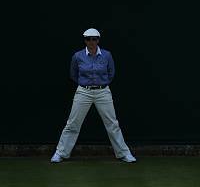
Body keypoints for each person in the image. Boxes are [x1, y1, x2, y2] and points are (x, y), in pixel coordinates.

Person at [50, 28, 136, 163]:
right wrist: (85, 85)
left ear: (98, 40)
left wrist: (102, 84)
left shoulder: (107, 55)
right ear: (84, 40)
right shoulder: (78, 56)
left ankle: (123, 153)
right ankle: (61, 153)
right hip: (83, 91)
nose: (91, 42)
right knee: (72, 123)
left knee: (112, 124)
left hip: (103, 92)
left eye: (94, 39)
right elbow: (73, 74)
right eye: (88, 39)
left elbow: (111, 72)